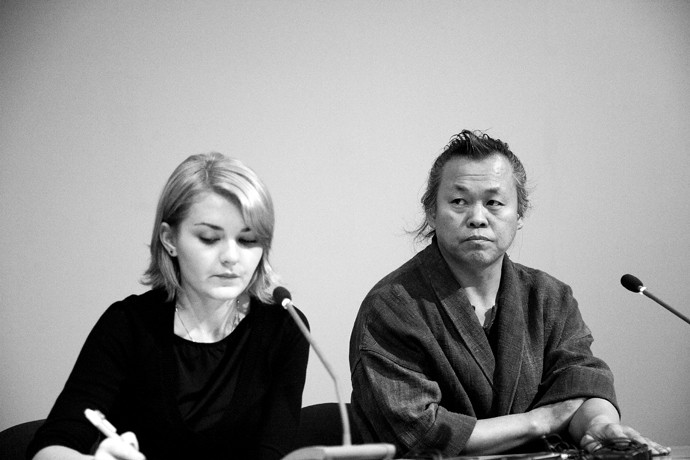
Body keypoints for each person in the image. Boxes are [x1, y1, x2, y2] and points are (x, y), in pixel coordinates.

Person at [349, 130, 670, 458]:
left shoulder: (548, 297)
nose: (477, 218)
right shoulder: (392, 306)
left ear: (519, 215)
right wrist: (539, 421)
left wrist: (598, 424)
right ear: (431, 212)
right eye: (459, 202)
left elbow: (579, 382)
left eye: (494, 203)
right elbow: (421, 432)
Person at [28, 153, 310, 460]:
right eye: (209, 238)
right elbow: (50, 447)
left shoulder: (284, 327)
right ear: (169, 239)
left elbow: (274, 450)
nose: (231, 256)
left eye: (248, 240)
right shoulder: (127, 325)